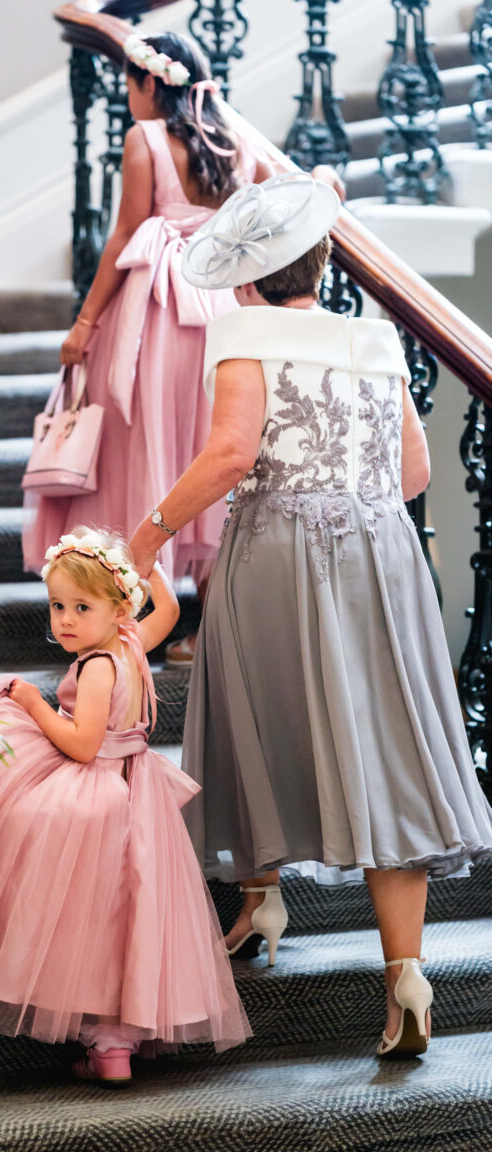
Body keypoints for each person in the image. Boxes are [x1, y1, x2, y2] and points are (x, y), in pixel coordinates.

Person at [128, 173, 492, 1060]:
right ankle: (405, 971)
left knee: (259, 718)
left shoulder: (242, 328)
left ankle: (260, 899)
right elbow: (412, 474)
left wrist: (148, 534)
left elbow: (230, 453)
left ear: (248, 278)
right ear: (323, 267)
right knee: (383, 744)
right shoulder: (376, 338)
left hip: (282, 547)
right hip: (383, 554)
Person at [0, 527, 251, 1084]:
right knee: (128, 916)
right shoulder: (128, 643)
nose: (65, 619)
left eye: (80, 606)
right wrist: (146, 563)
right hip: (137, 794)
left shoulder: (99, 663)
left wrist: (33, 703)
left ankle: (102, 1039)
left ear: (118, 606)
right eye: (57, 605)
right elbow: (166, 608)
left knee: (87, 918)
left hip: (96, 789)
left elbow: (82, 743)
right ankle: (116, 1044)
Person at [23, 31, 343, 665]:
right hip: (221, 308)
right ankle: (214, 625)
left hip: (155, 313)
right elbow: (304, 195)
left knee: (148, 451)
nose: (127, 97)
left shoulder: (144, 141)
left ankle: (132, 619)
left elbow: (120, 240)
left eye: (131, 85)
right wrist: (329, 179)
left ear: (151, 84)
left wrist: (84, 326)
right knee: (205, 452)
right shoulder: (240, 143)